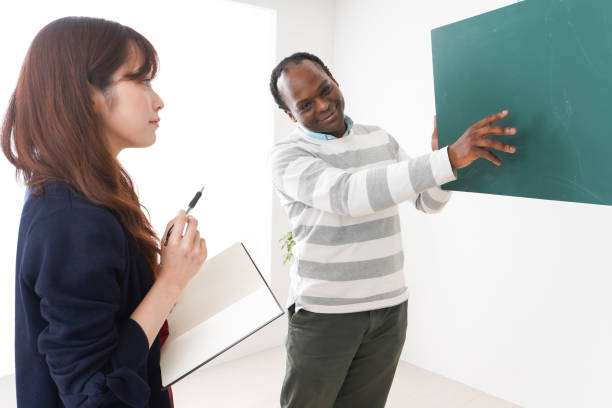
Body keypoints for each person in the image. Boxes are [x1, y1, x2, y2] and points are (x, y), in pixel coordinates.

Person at [269, 52, 518, 408]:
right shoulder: (287, 156)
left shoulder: (379, 138)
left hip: (389, 309)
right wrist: (444, 160)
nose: (323, 105)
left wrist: (442, 169)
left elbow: (426, 202)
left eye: (325, 89)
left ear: (335, 80)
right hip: (326, 316)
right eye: (305, 104)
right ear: (290, 115)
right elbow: (348, 195)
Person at [2, 17, 207, 407]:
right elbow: (95, 397)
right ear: (89, 94)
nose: (158, 100)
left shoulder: (80, 188)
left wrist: (166, 275)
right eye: (141, 81)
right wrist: (170, 283)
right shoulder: (72, 217)